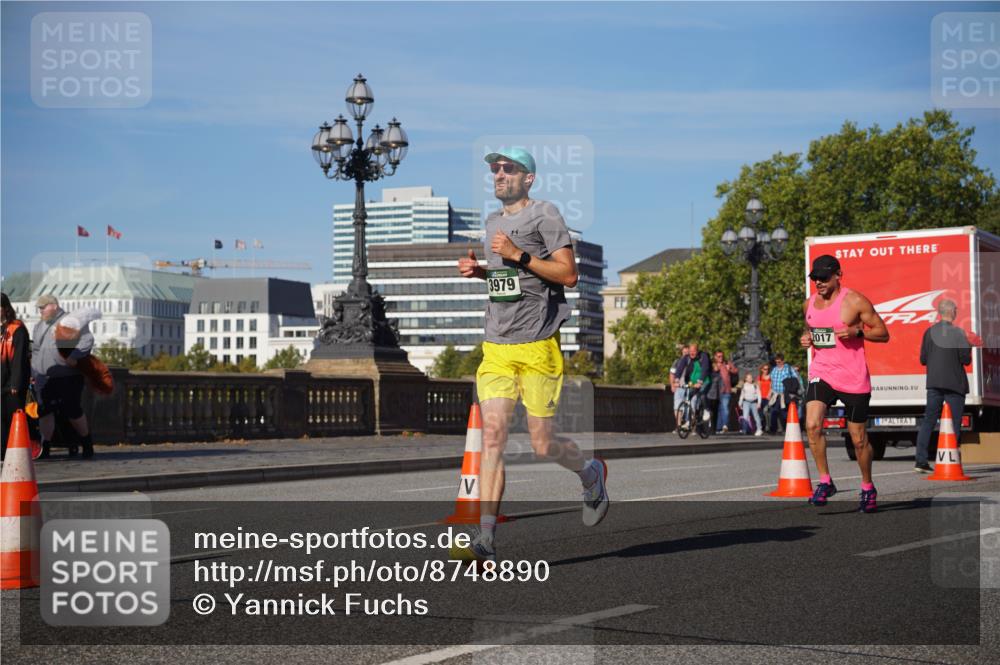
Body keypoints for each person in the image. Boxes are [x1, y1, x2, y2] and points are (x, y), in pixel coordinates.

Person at [454, 147, 608, 564]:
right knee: (493, 439)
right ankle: (485, 539)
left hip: (539, 344)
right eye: (494, 168)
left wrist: (518, 254)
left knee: (542, 444)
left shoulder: (545, 215)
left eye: (508, 168)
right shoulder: (491, 224)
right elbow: (510, 281)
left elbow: (569, 275)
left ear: (528, 178)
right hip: (498, 346)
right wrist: (481, 271)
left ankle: (591, 474)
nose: (499, 174)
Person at [800, 255, 889, 513]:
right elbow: (814, 331)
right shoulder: (809, 303)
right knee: (812, 424)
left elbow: (883, 333)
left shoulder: (855, 301)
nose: (819, 283)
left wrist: (857, 332)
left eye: (824, 278)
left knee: (858, 439)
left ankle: (867, 486)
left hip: (853, 376)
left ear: (838, 275)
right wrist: (807, 339)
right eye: (815, 278)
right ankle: (825, 481)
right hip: (823, 371)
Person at [31, 295, 97, 459]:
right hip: (44, 377)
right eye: (39, 308)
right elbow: (36, 350)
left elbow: (87, 340)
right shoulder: (39, 325)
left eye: (43, 307)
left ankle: (86, 443)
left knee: (73, 410)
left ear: (53, 306)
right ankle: (45, 446)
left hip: (68, 375)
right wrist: (34, 371)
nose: (40, 311)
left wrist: (73, 356)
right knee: (44, 412)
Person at [914, 299, 972, 473]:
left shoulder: (929, 332)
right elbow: (965, 359)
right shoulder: (959, 333)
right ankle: (952, 460)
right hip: (954, 383)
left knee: (928, 421)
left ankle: (920, 461)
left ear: (939, 312)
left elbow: (923, 359)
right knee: (954, 423)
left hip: (934, 383)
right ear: (952, 311)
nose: (956, 311)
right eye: (956, 309)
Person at [1, 293, 30, 460]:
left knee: (12, 419)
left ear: (5, 309)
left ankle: (14, 453)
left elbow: (19, 358)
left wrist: (16, 384)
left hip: (12, 384)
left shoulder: (17, 329)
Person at [768, 354, 800, 433]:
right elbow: (772, 381)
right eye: (776, 362)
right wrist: (770, 392)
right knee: (773, 412)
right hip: (775, 394)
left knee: (784, 412)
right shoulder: (774, 369)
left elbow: (796, 379)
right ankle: (773, 429)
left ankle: (787, 429)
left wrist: (793, 391)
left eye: (779, 362)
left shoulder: (789, 369)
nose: (777, 363)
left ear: (783, 361)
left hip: (785, 394)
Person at [713, 350, 737, 433]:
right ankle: (718, 427)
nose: (721, 358)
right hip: (715, 391)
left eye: (722, 356)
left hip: (726, 390)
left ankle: (725, 425)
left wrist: (729, 368)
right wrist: (716, 368)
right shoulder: (713, 364)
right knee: (719, 409)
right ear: (715, 357)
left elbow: (735, 370)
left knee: (725, 407)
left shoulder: (727, 363)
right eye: (719, 356)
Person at [669, 344, 690, 431]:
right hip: (679, 386)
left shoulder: (692, 361)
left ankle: (689, 425)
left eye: (687, 352)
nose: (685, 354)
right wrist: (672, 385)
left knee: (690, 406)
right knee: (677, 406)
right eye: (684, 352)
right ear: (682, 352)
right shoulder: (677, 361)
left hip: (690, 386)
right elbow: (672, 374)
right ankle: (679, 425)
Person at [758, 363, 772, 432]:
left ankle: (768, 426)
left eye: (767, 369)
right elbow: (758, 388)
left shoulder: (770, 377)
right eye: (765, 369)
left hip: (767, 397)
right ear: (762, 370)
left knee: (766, 411)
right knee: (761, 413)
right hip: (761, 397)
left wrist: (769, 395)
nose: (766, 371)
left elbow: (771, 387)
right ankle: (762, 427)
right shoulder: (760, 377)